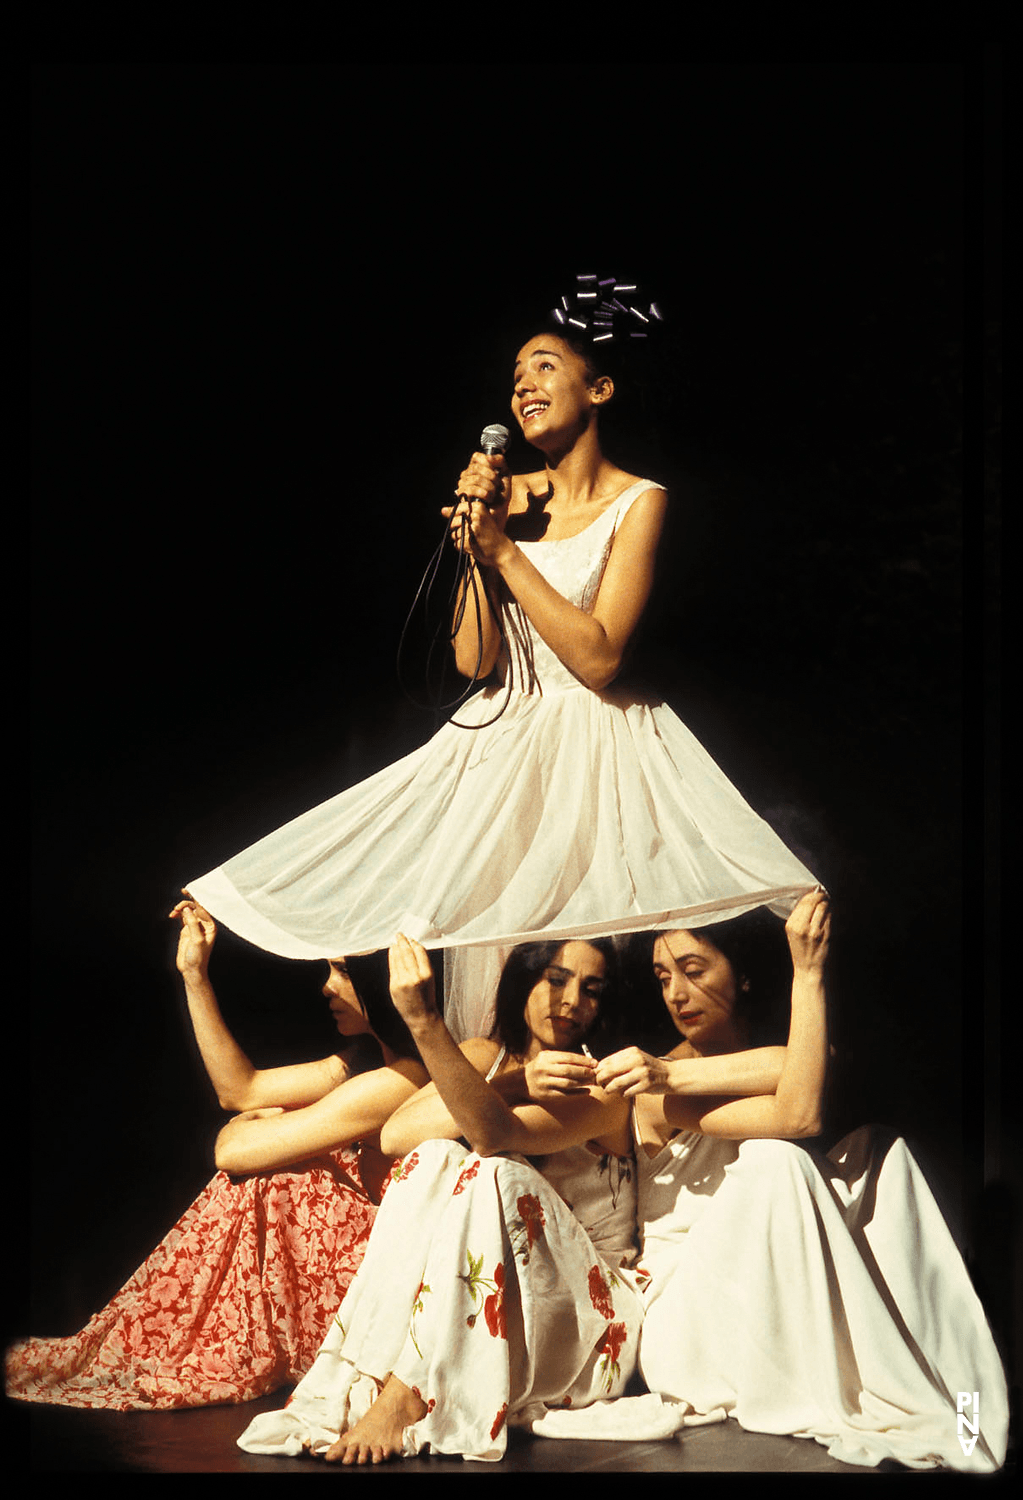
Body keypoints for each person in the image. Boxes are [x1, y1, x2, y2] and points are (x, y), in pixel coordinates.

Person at [184, 328, 819, 1042]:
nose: (522, 387)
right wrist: (477, 549)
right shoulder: (505, 498)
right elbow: (472, 660)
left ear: (599, 389)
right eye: (515, 375)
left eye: (545, 367)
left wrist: (505, 551)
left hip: (593, 750)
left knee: (578, 965)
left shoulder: (640, 501)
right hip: (501, 747)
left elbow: (600, 658)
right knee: (490, 975)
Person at [576, 890, 1008, 1473]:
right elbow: (798, 1114)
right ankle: (876, 1385)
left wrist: (807, 971)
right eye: (662, 976)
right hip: (685, 1322)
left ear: (745, 976)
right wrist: (806, 974)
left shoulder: (695, 1067)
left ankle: (951, 1392)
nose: (676, 993)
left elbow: (810, 1065)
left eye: (693, 970)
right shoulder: (652, 1087)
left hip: (766, 1298)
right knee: (774, 1163)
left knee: (882, 1152)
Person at [236, 933, 645, 1464]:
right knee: (434, 1157)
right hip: (505, 1308)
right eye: (557, 980)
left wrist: (427, 1023)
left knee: (493, 1170)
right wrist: (518, 1080)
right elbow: (397, 1135)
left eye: (592, 990)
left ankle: (407, 1391)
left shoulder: (602, 1086)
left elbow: (495, 1134)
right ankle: (378, 1374)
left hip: (589, 1320)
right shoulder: (486, 1057)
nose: (571, 1003)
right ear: (525, 979)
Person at [4, 899, 427, 1411]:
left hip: (372, 1286)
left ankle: (176, 1341)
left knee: (280, 1179)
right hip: (333, 1273)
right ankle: (166, 1337)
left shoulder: (401, 1079)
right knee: (278, 1172)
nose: (327, 988)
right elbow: (240, 1090)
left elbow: (232, 1150)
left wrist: (259, 1128)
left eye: (341, 973)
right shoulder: (358, 1062)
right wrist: (195, 975)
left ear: (379, 982)